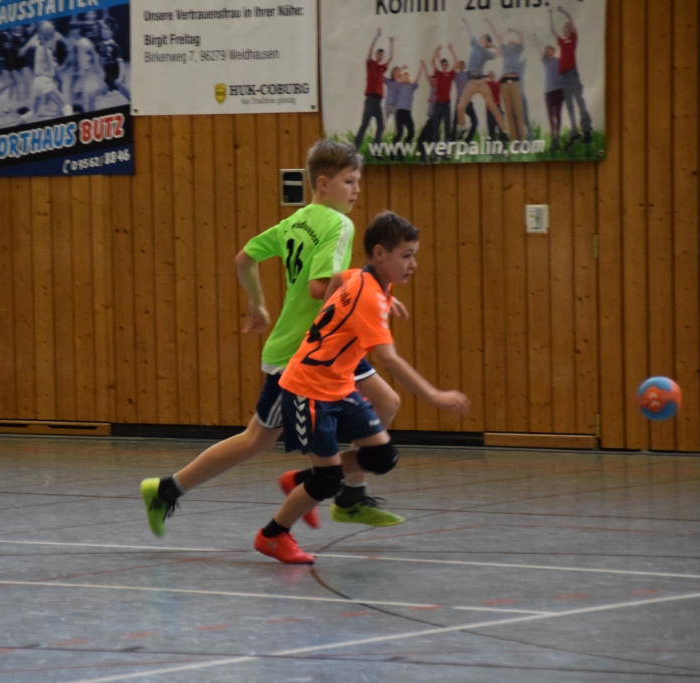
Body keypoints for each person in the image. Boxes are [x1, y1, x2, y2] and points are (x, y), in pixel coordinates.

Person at [141, 140, 407, 538]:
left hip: (324, 347)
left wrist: (258, 305)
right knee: (257, 439)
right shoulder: (339, 225)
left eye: (357, 181)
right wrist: (370, 290)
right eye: (349, 181)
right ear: (323, 183)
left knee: (384, 402)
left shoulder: (295, 221)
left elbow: (243, 259)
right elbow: (319, 288)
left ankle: (349, 494)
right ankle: (168, 490)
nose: (356, 190)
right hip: (304, 353)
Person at [254, 212, 471, 564]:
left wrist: (371, 302)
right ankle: (273, 535)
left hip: (338, 387)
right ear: (380, 254)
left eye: (414, 255)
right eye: (406, 255)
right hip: (307, 389)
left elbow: (338, 277)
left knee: (381, 456)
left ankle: (301, 479)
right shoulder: (369, 295)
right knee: (328, 480)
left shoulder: (364, 278)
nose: (413, 264)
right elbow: (389, 359)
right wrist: (435, 395)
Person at [455, 18, 506, 141]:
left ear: (486, 41)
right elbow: (470, 33)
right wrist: (466, 23)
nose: (480, 38)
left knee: (492, 106)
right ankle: (463, 127)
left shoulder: (487, 53)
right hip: (471, 83)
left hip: (482, 83)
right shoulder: (475, 45)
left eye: (482, 37)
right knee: (460, 107)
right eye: (481, 37)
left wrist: (493, 46)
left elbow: (501, 54)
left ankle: (504, 129)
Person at [551, 6, 592, 146]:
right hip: (564, 78)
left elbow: (572, 21)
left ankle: (587, 130)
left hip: (572, 75)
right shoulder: (562, 42)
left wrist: (564, 12)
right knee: (569, 105)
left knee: (579, 101)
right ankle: (574, 132)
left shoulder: (573, 39)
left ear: (570, 29)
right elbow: (553, 31)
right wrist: (550, 15)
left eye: (566, 27)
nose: (564, 28)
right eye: (564, 27)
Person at [19, 21, 74, 122]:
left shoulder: (38, 45)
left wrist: (24, 49)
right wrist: (62, 65)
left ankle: (21, 121)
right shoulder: (47, 51)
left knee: (34, 112)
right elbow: (51, 71)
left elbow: (34, 41)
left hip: (37, 82)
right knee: (66, 107)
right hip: (45, 82)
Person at [354, 29, 393, 152]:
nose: (380, 57)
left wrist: (391, 43)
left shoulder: (382, 68)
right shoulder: (370, 64)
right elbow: (370, 49)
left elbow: (391, 57)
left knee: (381, 125)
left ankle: (376, 148)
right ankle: (355, 147)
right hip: (370, 99)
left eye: (382, 55)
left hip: (378, 101)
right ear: (376, 55)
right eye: (379, 54)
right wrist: (377, 36)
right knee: (365, 124)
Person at [488, 20, 527, 141]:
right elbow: (497, 37)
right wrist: (489, 23)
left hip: (515, 81)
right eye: (509, 41)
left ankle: (522, 140)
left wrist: (513, 31)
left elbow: (521, 36)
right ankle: (514, 141)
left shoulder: (517, 49)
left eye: (512, 41)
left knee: (518, 112)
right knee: (509, 113)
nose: (510, 41)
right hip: (504, 83)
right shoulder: (505, 49)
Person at [386, 64, 423, 160]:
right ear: (402, 77)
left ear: (409, 77)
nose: (405, 77)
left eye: (407, 75)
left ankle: (401, 150)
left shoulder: (412, 86)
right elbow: (397, 77)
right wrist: (401, 70)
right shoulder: (400, 85)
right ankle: (392, 153)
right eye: (404, 75)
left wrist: (421, 67)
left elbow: (417, 78)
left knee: (411, 133)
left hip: (407, 113)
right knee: (399, 133)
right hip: (400, 112)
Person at [534, 36, 564, 151]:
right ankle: (553, 140)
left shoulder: (559, 60)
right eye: (545, 50)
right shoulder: (545, 62)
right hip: (548, 92)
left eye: (548, 49)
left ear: (553, 50)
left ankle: (557, 137)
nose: (546, 51)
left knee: (558, 115)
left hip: (559, 90)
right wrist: (536, 39)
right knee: (551, 117)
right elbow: (538, 49)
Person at [449, 47, 478, 143]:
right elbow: (455, 62)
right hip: (459, 101)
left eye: (462, 65)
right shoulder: (456, 75)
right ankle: (452, 141)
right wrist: (452, 50)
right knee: (455, 122)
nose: (461, 66)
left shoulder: (468, 75)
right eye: (459, 65)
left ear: (464, 66)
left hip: (468, 101)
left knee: (475, 121)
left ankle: (467, 141)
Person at [429, 46, 456, 145]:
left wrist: (451, 50)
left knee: (447, 126)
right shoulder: (438, 73)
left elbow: (456, 63)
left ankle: (446, 148)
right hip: (438, 104)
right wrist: (436, 50)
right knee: (436, 126)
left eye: (446, 65)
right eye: (443, 64)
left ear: (447, 66)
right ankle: (436, 148)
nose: (445, 66)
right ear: (441, 65)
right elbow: (432, 63)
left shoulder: (450, 75)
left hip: (446, 105)